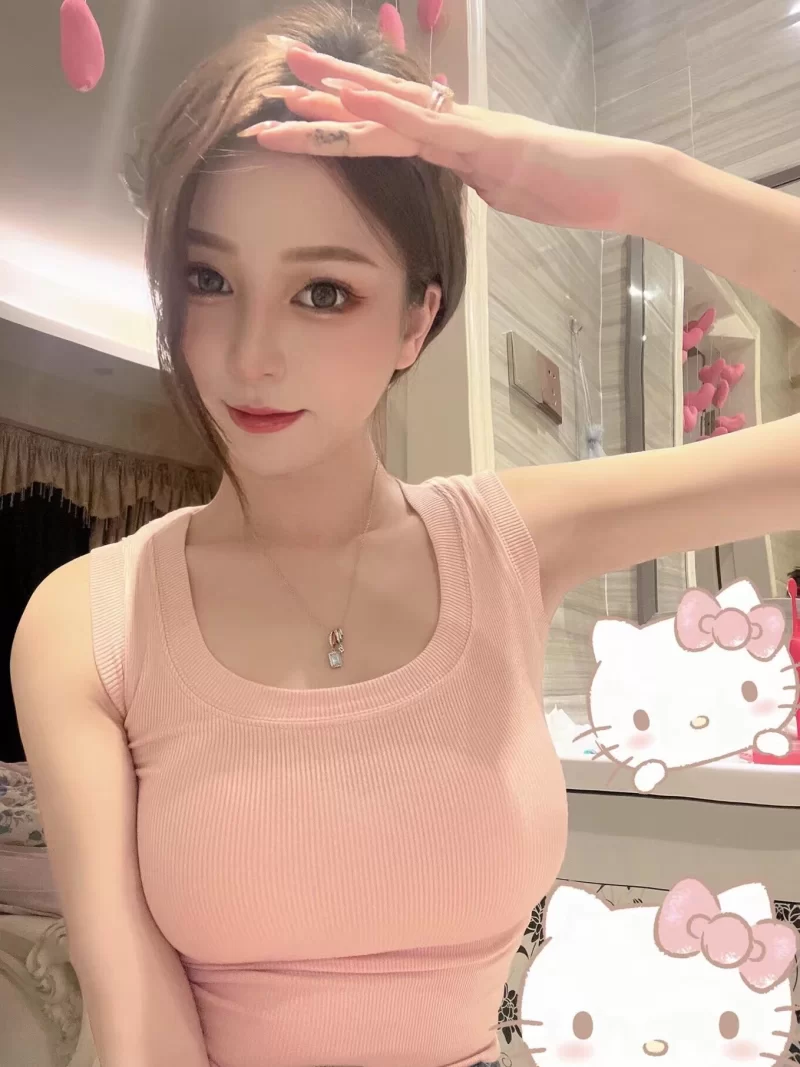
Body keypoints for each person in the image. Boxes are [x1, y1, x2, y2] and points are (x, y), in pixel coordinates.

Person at [10, 3, 800, 1067]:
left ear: (416, 319)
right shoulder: (88, 622)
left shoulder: (509, 544)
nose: (250, 353)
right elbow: (140, 1030)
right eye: (208, 279)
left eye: (322, 291)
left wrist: (638, 184)